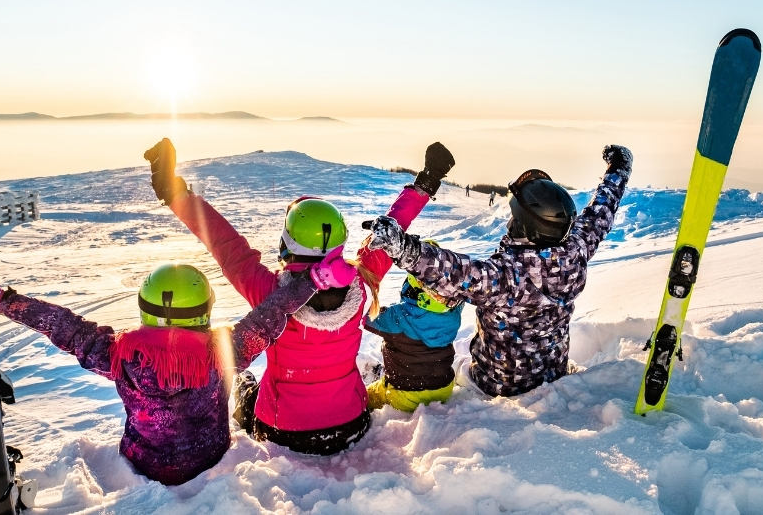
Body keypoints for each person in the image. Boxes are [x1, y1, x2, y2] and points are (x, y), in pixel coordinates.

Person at [144, 138, 454, 455]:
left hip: (283, 431)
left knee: (244, 384)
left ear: (287, 242)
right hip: (351, 424)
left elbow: (226, 245)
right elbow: (391, 231)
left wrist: (175, 193)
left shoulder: (270, 294)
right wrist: (426, 182)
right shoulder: (361, 283)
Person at [0, 253, 356, 485]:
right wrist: (313, 281)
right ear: (204, 310)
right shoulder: (223, 353)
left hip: (144, 464)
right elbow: (270, 315)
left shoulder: (118, 355)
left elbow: (63, 325)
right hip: (210, 458)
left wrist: (1, 301)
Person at [365, 145, 632, 398]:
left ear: (526, 227)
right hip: (553, 372)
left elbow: (452, 272)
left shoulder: (507, 276)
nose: (509, 221)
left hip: (496, 385)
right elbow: (600, 213)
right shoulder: (576, 249)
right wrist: (618, 170)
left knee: (453, 372)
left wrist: (402, 247)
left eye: (514, 217)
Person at [363, 239, 464, 412]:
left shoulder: (398, 318)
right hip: (444, 388)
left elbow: (365, 317)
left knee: (367, 396)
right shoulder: (453, 312)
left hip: (405, 395)